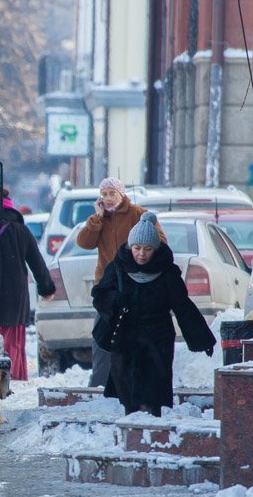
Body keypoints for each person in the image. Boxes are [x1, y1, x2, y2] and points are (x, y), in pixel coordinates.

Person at [91, 211, 215, 417]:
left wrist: (202, 339)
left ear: (155, 249)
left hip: (157, 340)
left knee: (154, 394)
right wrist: (115, 300)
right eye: (137, 248)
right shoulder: (118, 267)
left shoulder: (167, 272)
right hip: (126, 339)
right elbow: (99, 296)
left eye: (147, 249)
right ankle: (130, 432)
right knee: (127, 393)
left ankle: (153, 433)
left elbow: (183, 307)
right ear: (130, 246)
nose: (141, 254)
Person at [74, 177, 167, 388]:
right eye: (104, 194)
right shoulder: (100, 219)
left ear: (121, 194)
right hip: (108, 288)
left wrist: (141, 256)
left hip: (137, 284)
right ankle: (100, 382)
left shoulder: (138, 214)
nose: (107, 199)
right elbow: (84, 243)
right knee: (103, 333)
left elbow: (160, 242)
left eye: (111, 194)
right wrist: (96, 219)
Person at [0, 188, 55, 380]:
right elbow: (37, 263)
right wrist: (46, 288)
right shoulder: (22, 231)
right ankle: (11, 375)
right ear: (10, 206)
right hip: (14, 301)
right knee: (10, 341)